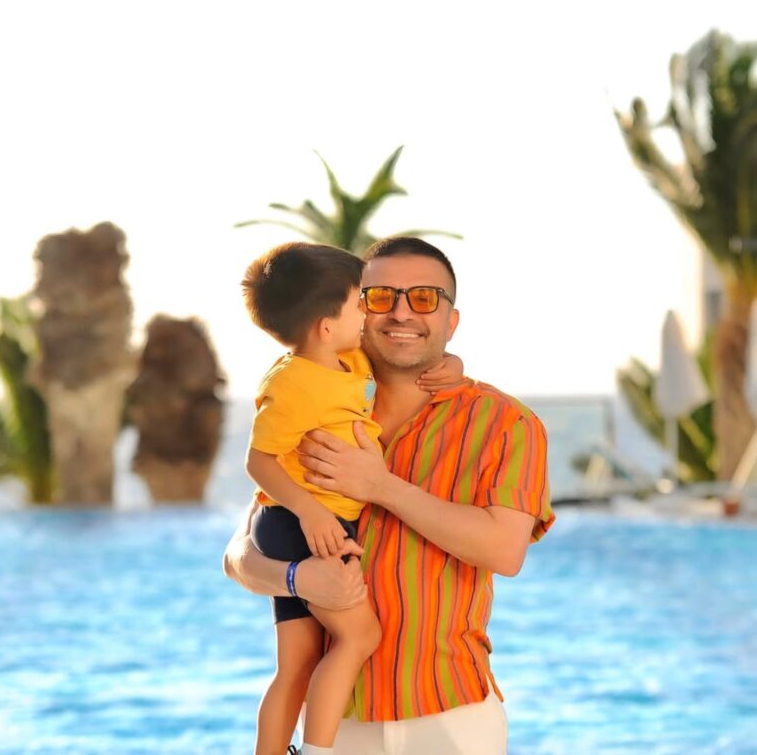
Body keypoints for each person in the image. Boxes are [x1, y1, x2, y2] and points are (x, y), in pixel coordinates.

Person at [226, 237, 554, 755]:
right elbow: (240, 555)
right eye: (379, 297)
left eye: (424, 298)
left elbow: (504, 552)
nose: (401, 313)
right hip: (336, 726)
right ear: (353, 314)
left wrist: (380, 486)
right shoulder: (321, 402)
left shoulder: (507, 423)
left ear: (451, 321)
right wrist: (296, 578)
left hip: (451, 716)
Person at [240, 242, 463, 755]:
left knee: (297, 663)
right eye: (358, 304)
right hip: (300, 523)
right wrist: (310, 512)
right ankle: (318, 751)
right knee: (360, 638)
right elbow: (258, 461)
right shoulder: (292, 385)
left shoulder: (349, 359)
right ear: (326, 326)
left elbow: (409, 361)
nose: (368, 313)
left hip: (310, 521)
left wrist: (452, 364)